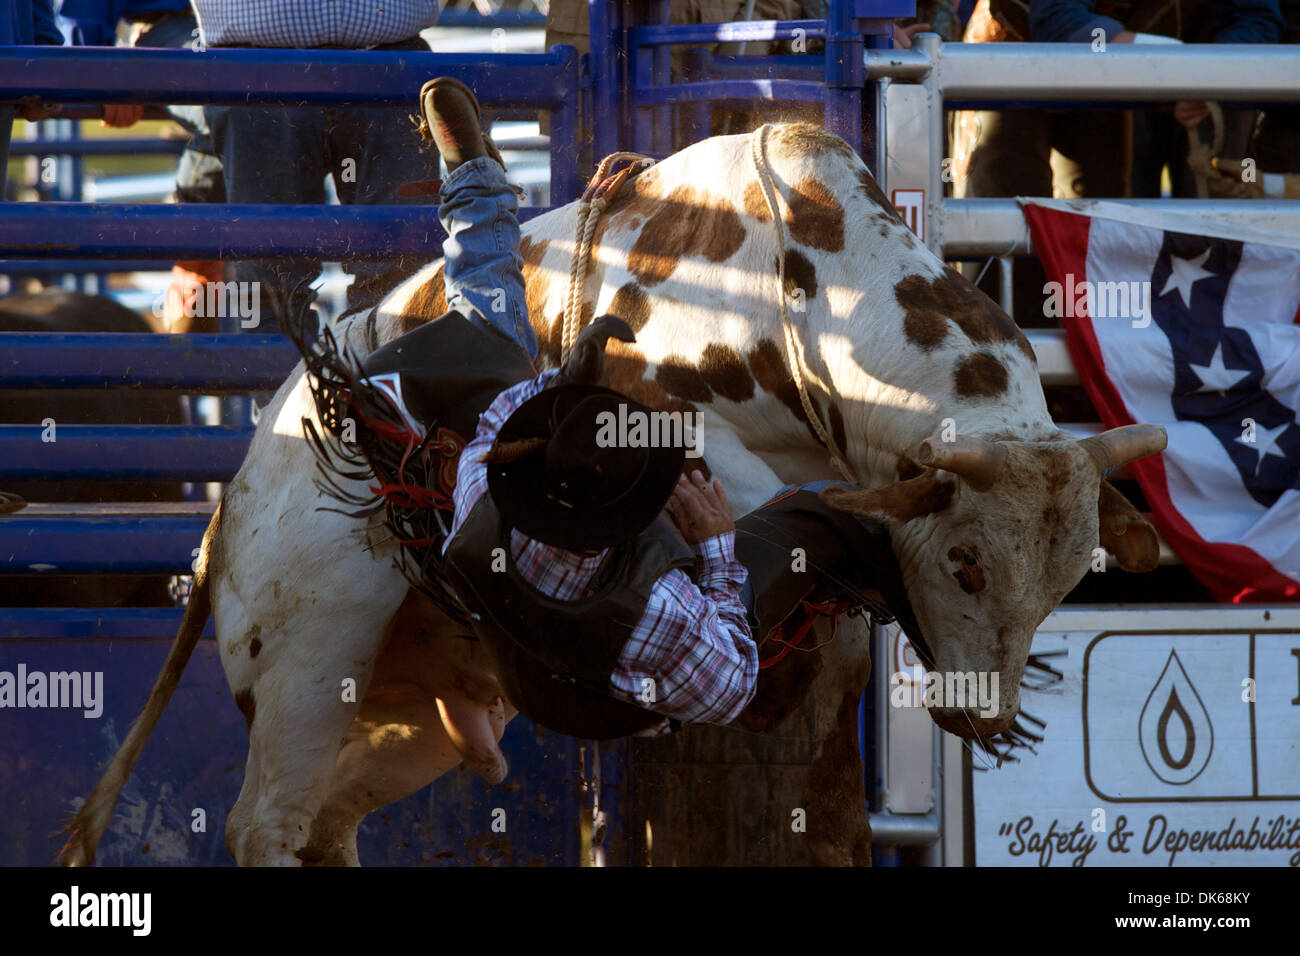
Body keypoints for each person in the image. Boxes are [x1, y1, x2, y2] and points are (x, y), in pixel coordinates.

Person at [286, 79, 924, 739]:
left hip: (539, 672)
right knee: (819, 509)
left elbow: (499, 422)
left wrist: (565, 376)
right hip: (617, 703)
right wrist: (712, 545)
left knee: (492, 327)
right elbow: (733, 683)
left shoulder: (484, 484)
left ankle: (476, 182)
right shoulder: (663, 605)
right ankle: (913, 605)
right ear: (636, 518)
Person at [191, 0, 444, 333]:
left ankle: (376, 380)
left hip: (386, 61)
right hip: (263, 66)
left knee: (400, 276)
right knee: (271, 287)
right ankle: (296, 383)